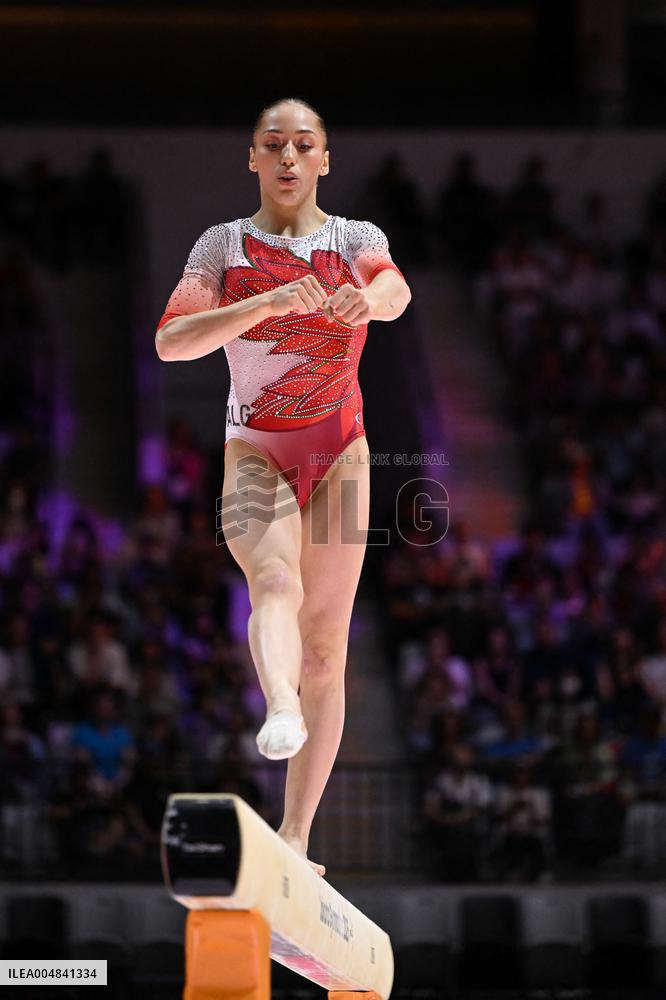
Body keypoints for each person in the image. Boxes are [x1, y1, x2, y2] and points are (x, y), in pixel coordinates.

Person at [155, 97, 412, 876]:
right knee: (272, 580)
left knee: (327, 650)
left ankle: (297, 834)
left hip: (341, 454)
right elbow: (171, 343)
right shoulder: (222, 246)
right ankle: (279, 707)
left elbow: (396, 291)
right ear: (253, 158)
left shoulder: (354, 238)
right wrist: (262, 302)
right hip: (255, 452)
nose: (289, 157)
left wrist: (368, 301)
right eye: (274, 145)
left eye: (304, 145)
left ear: (325, 159)